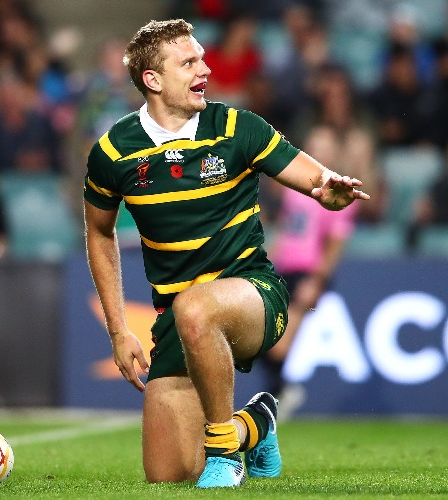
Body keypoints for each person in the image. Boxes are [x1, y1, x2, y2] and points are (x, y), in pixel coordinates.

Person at [83, 19, 369, 488]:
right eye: (189, 62)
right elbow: (99, 233)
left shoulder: (236, 127)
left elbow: (313, 176)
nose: (206, 68)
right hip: (179, 320)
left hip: (255, 297)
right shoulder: (113, 152)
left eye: (202, 57)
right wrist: (118, 330)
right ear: (153, 81)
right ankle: (253, 425)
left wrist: (327, 189)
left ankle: (225, 453)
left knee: (196, 304)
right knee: (169, 475)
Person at [263, 125, 358, 420]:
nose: (320, 150)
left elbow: (334, 243)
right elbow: (288, 226)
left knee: (277, 346)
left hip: (307, 272)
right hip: (283, 268)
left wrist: (317, 280)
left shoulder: (341, 192)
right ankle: (278, 394)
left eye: (326, 145)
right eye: (315, 144)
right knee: (264, 335)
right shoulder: (300, 186)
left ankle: (281, 393)